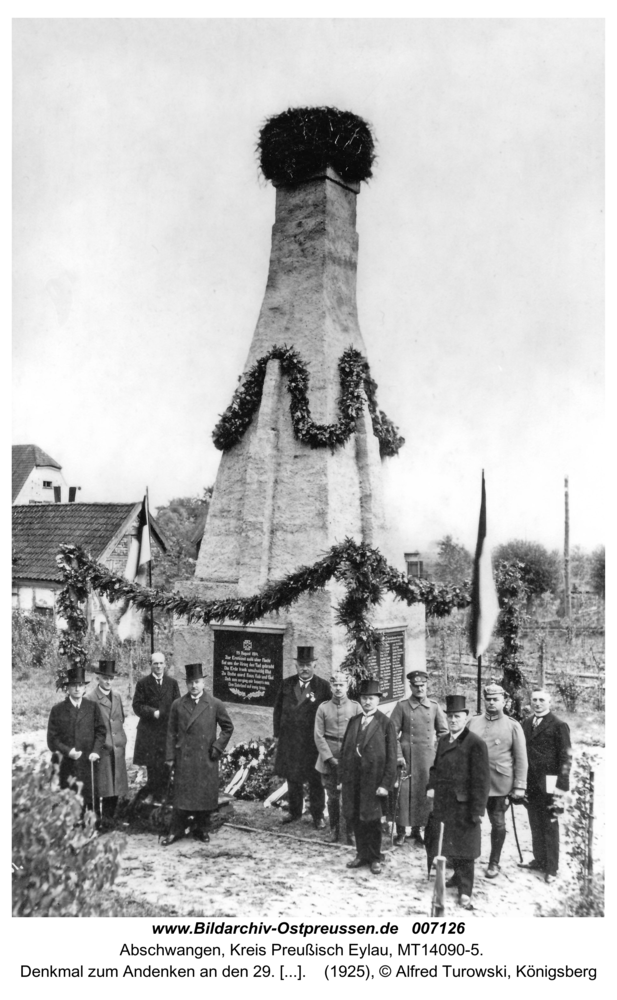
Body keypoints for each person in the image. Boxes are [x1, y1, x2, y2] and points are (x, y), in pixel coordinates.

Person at [426, 694, 490, 909]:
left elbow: (482, 780)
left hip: (464, 805)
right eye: (450, 716)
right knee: (449, 844)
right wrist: (431, 786)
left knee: (466, 848)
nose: (453, 720)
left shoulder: (475, 743)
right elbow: (435, 768)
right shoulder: (444, 740)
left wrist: (477, 810)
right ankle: (455, 877)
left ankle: (466, 890)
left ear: (466, 717)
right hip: (444, 803)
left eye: (458, 716)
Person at [163, 662, 234, 846]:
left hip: (205, 758)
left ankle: (201, 829)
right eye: (190, 683)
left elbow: (228, 728)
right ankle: (175, 830)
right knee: (181, 797)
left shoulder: (214, 704)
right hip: (184, 758)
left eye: (197, 682)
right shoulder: (178, 704)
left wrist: (217, 748)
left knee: (203, 797)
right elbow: (170, 732)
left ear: (203, 683)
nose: (194, 686)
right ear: (186, 684)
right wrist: (170, 757)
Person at [467, 683, 528, 877]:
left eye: (496, 700)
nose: (492, 703)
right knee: (469, 821)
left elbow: (521, 758)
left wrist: (519, 786)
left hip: (499, 784)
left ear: (504, 701)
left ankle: (494, 861)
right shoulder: (473, 722)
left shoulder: (513, 725)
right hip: (475, 782)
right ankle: (463, 857)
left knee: (498, 824)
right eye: (488, 699)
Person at [339, 678, 398, 875]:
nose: (367, 702)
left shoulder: (385, 723)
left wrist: (385, 784)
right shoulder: (354, 721)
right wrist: (342, 779)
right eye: (364, 698)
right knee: (356, 817)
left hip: (374, 782)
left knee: (372, 820)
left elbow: (391, 757)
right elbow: (345, 751)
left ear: (378, 700)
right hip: (354, 781)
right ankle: (361, 854)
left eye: (371, 698)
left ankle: (374, 857)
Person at [273, 647, 331, 828]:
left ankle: (318, 815)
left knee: (315, 780)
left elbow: (328, 713)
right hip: (291, 740)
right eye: (301, 665)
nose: (305, 668)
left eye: (308, 665)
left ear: (315, 664)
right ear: (296, 665)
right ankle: (294, 811)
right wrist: (277, 735)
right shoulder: (286, 684)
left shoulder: (322, 686)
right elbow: (278, 710)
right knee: (293, 778)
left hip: (312, 742)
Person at [390, 670, 448, 846]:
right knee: (403, 795)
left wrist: (437, 753)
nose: (420, 689)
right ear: (411, 687)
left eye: (423, 686)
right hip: (406, 758)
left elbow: (444, 732)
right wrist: (399, 756)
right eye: (416, 686)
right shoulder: (402, 706)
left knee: (422, 795)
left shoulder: (434, 707)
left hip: (426, 760)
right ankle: (400, 832)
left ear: (426, 685)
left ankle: (417, 830)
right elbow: (392, 733)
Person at [521, 689, 572, 883]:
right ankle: (539, 859)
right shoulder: (526, 723)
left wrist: (562, 788)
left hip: (551, 783)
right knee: (534, 822)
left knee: (550, 824)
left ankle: (551, 868)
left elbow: (566, 758)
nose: (537, 703)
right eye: (534, 700)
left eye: (541, 700)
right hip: (531, 782)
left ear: (549, 703)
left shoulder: (559, 725)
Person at [47, 664, 106, 809]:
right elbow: (52, 740)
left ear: (85, 688)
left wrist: (96, 751)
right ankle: (72, 829)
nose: (77, 689)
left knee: (90, 799)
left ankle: (93, 828)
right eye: (74, 685)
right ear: (67, 688)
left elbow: (101, 731)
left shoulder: (92, 707)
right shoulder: (58, 710)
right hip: (68, 764)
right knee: (70, 801)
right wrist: (68, 752)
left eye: (80, 685)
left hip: (88, 762)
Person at [314, 670, 363, 842]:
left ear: (347, 686)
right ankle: (334, 830)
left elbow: (360, 734)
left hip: (349, 760)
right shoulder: (323, 707)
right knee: (333, 798)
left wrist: (351, 759)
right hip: (329, 759)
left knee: (350, 797)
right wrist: (329, 757)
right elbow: (318, 735)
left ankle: (350, 831)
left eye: (341, 685)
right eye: (335, 685)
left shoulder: (356, 707)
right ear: (330, 686)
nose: (338, 688)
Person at [132, 650, 181, 804]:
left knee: (166, 765)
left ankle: (163, 799)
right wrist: (153, 713)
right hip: (149, 733)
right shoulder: (143, 683)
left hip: (166, 732)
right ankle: (150, 800)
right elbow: (137, 706)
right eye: (155, 663)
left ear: (165, 665)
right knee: (152, 767)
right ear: (150, 665)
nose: (159, 666)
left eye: (161, 663)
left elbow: (178, 704)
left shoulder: (172, 683)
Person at [86, 659, 129, 822]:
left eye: (111, 678)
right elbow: (89, 728)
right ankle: (97, 821)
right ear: (98, 678)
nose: (108, 681)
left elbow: (120, 720)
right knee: (102, 787)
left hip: (117, 749)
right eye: (105, 678)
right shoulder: (91, 698)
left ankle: (109, 821)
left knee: (116, 787)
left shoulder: (117, 696)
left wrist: (121, 742)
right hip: (102, 749)